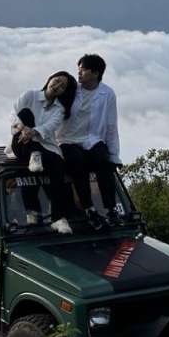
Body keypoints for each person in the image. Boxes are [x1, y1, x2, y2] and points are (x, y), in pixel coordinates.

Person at [6, 71, 76, 233]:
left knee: (58, 163)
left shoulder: (60, 110)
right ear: (49, 78)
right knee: (25, 113)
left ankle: (58, 218)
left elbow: (50, 126)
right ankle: (34, 154)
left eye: (62, 86)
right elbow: (12, 114)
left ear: (65, 92)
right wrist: (24, 129)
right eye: (56, 80)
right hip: (20, 144)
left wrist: (34, 132)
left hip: (44, 145)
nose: (57, 85)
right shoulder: (30, 95)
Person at [57, 54, 123, 224]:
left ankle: (111, 209)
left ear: (95, 73)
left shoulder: (107, 94)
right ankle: (89, 208)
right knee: (77, 162)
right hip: (67, 139)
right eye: (78, 69)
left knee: (104, 161)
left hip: (92, 139)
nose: (79, 73)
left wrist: (115, 155)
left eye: (83, 70)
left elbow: (111, 125)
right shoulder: (72, 89)